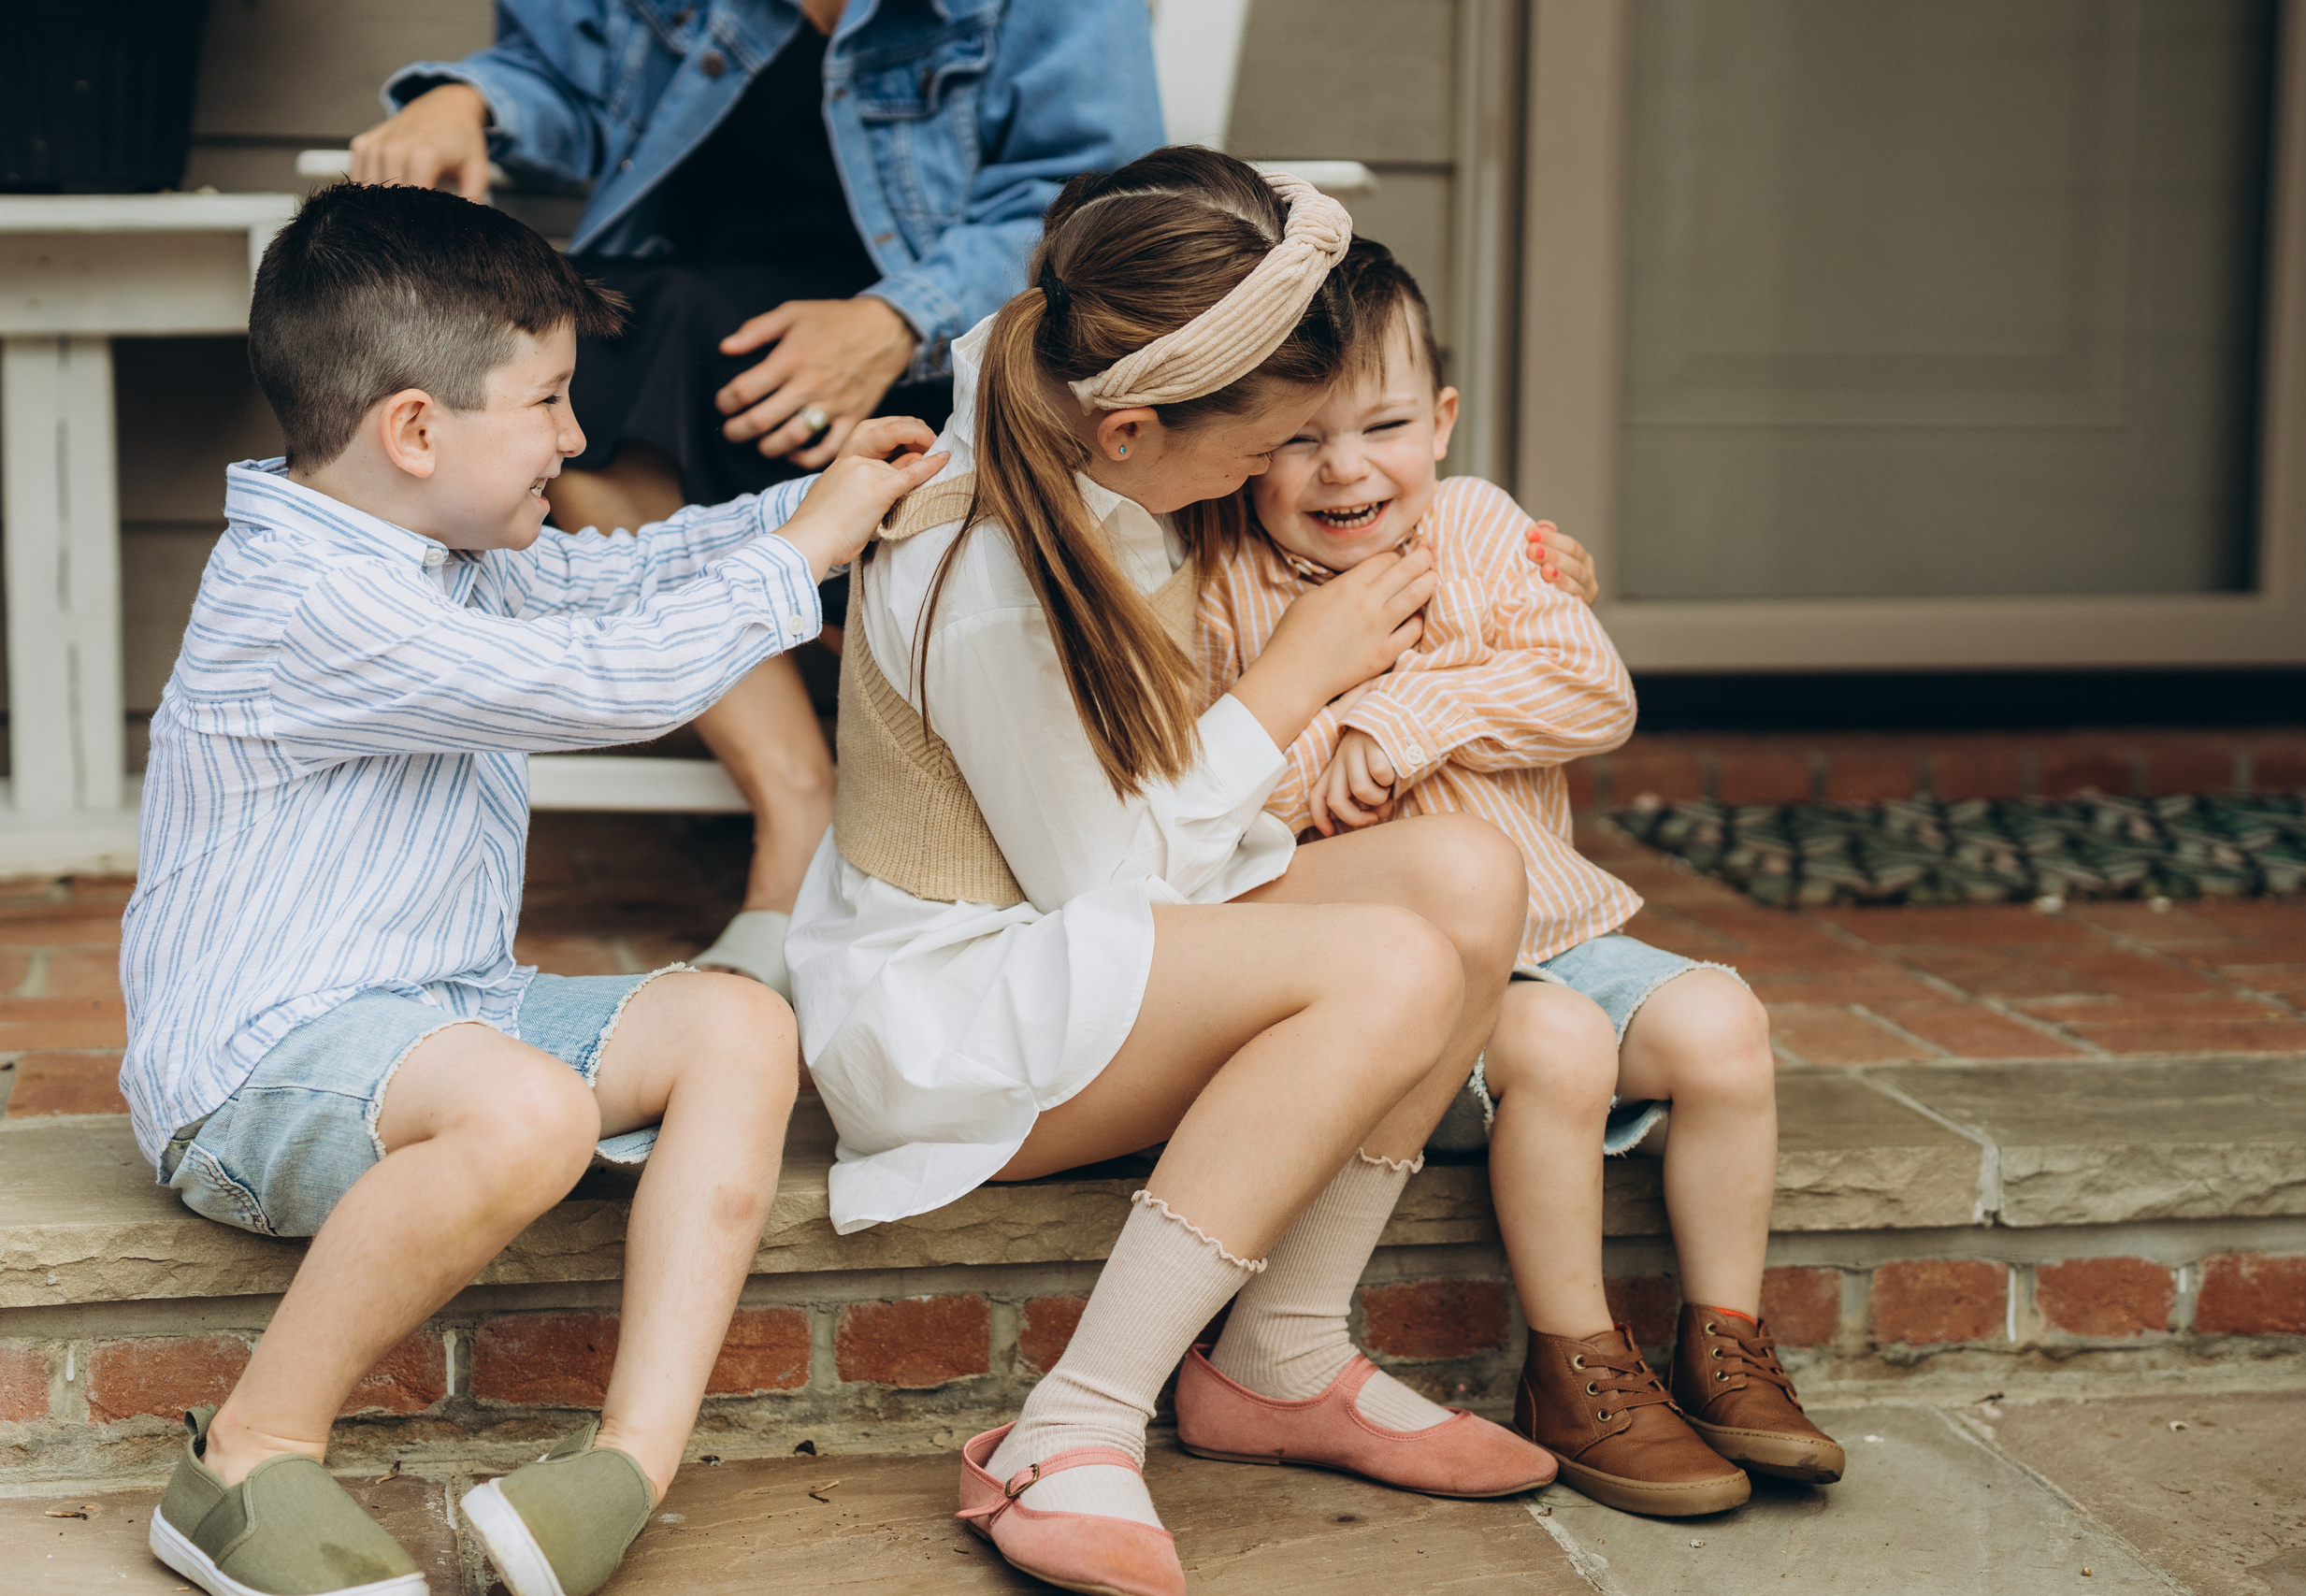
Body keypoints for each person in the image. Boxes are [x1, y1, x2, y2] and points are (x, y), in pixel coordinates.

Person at [119, 183, 944, 1596]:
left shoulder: (449, 549)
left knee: (741, 1022)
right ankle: (247, 1455)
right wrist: (802, 561)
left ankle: (624, 1461)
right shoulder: (309, 597)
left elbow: (612, 579)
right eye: (552, 401)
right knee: (531, 1106)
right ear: (417, 429)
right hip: (252, 1075)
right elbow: (593, 683)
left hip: (442, 1017)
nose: (577, 436)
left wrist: (811, 506)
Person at [785, 150, 1557, 1596]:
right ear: (1132, 429)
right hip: (953, 1013)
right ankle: (1070, 1424)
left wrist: (1487, 542)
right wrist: (1286, 685)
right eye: (1259, 443)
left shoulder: (1089, 427)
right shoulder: (987, 575)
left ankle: (1284, 1352)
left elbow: (1171, 232)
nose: (1275, 471)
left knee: (1466, 872)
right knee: (1389, 959)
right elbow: (1106, 889)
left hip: (1082, 945)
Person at [1199, 238, 1844, 1519]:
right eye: (1301, 437)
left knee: (1725, 1023)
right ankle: (1576, 1360)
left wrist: (1405, 717)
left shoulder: (1483, 526)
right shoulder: (1224, 583)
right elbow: (1237, 791)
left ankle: (1725, 1344)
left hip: (1564, 923)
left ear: (1439, 422)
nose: (1347, 467)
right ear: (1243, 446)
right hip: (1416, 984)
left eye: (1384, 423)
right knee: (1555, 1042)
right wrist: (1326, 719)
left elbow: (1588, 687)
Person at [353, 0, 1166, 993]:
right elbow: (569, 81)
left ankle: (836, 804)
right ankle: (797, 798)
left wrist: (894, 318)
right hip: (695, 351)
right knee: (591, 349)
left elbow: (1091, 199)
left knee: (650, 340)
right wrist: (464, 98)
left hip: (943, 347)